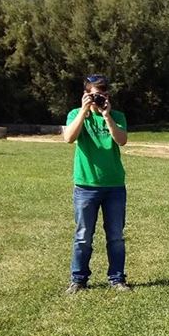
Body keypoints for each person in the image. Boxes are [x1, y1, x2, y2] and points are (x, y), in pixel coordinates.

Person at [63, 74, 130, 293]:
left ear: (107, 95)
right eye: (93, 94)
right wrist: (83, 111)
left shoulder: (117, 115)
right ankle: (78, 280)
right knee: (83, 236)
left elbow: (121, 140)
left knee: (116, 237)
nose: (97, 98)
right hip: (85, 186)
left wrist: (107, 116)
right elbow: (69, 138)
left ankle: (117, 279)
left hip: (114, 186)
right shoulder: (75, 114)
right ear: (85, 95)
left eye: (101, 94)